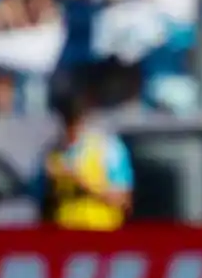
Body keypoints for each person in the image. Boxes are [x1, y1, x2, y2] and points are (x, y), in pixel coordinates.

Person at [32, 88, 133, 231]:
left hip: (100, 236)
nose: (71, 129)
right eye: (66, 123)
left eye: (75, 122)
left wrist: (85, 183)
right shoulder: (53, 153)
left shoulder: (108, 148)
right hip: (64, 239)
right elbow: (40, 207)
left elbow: (123, 201)